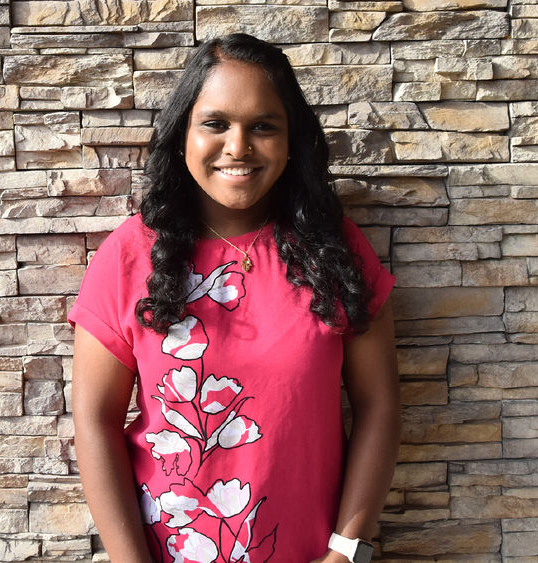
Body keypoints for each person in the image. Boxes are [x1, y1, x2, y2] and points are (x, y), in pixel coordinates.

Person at [69, 33, 400, 563]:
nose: (239, 146)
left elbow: (379, 404)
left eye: (263, 126)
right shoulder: (131, 255)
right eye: (216, 123)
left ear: (292, 142)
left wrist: (345, 553)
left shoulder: (334, 250)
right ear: (184, 135)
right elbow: (94, 419)